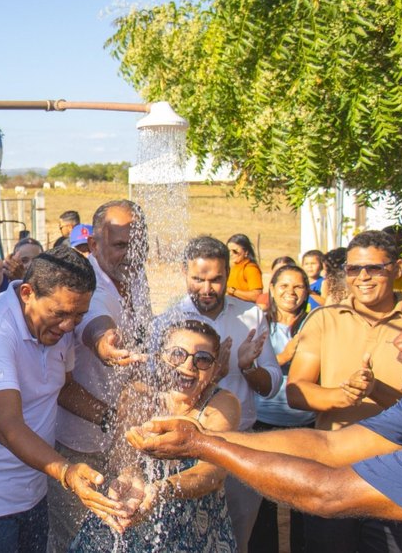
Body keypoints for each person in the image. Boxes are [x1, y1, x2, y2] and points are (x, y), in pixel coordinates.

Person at [128, 271, 402, 553]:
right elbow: (329, 448)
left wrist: (202, 446)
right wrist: (200, 437)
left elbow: (327, 492)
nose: (397, 344)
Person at [0, 246, 115, 553]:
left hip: (35, 490)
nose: (68, 326)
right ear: (27, 293)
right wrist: (67, 472)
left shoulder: (55, 326)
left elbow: (62, 387)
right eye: (60, 313)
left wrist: (111, 418)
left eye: (79, 315)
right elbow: (8, 427)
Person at [286, 229, 402, 551]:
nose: (363, 277)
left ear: (398, 269)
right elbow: (296, 391)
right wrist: (342, 395)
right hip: (333, 472)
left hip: (396, 475)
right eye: (353, 269)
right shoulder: (324, 319)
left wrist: (377, 390)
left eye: (374, 268)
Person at [70, 318, 240, 552]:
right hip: (136, 511)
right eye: (178, 354)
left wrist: (162, 490)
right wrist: (130, 473)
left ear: (214, 370)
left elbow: (214, 471)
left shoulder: (221, 404)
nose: (189, 366)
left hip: (195, 525)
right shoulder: (140, 394)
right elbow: (123, 453)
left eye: (202, 360)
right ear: (161, 357)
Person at [47, 200, 153, 552]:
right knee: (76, 542)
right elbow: (97, 326)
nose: (132, 254)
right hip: (80, 448)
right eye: (121, 245)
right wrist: (106, 345)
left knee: (121, 539)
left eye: (139, 245)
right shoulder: (87, 285)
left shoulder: (135, 279)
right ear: (93, 245)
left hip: (124, 443)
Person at [171, 235, 281, 551]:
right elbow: (159, 389)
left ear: (228, 274)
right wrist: (207, 377)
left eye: (216, 279)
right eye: (198, 279)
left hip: (239, 448)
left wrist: (247, 368)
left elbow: (272, 384)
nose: (207, 289)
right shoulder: (167, 321)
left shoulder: (251, 316)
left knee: (235, 541)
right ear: (184, 273)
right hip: (185, 455)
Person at [248, 264, 316, 553]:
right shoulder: (259, 323)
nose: (291, 293)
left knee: (306, 502)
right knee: (262, 503)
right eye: (284, 286)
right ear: (272, 290)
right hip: (263, 422)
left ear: (308, 291)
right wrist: (285, 355)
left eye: (298, 286)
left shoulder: (315, 325)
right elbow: (250, 365)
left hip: (305, 424)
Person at [226, 233, 263, 303]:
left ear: (246, 252)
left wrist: (233, 291)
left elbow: (256, 295)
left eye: (235, 251)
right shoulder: (233, 267)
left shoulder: (250, 269)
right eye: (228, 251)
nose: (231, 254)